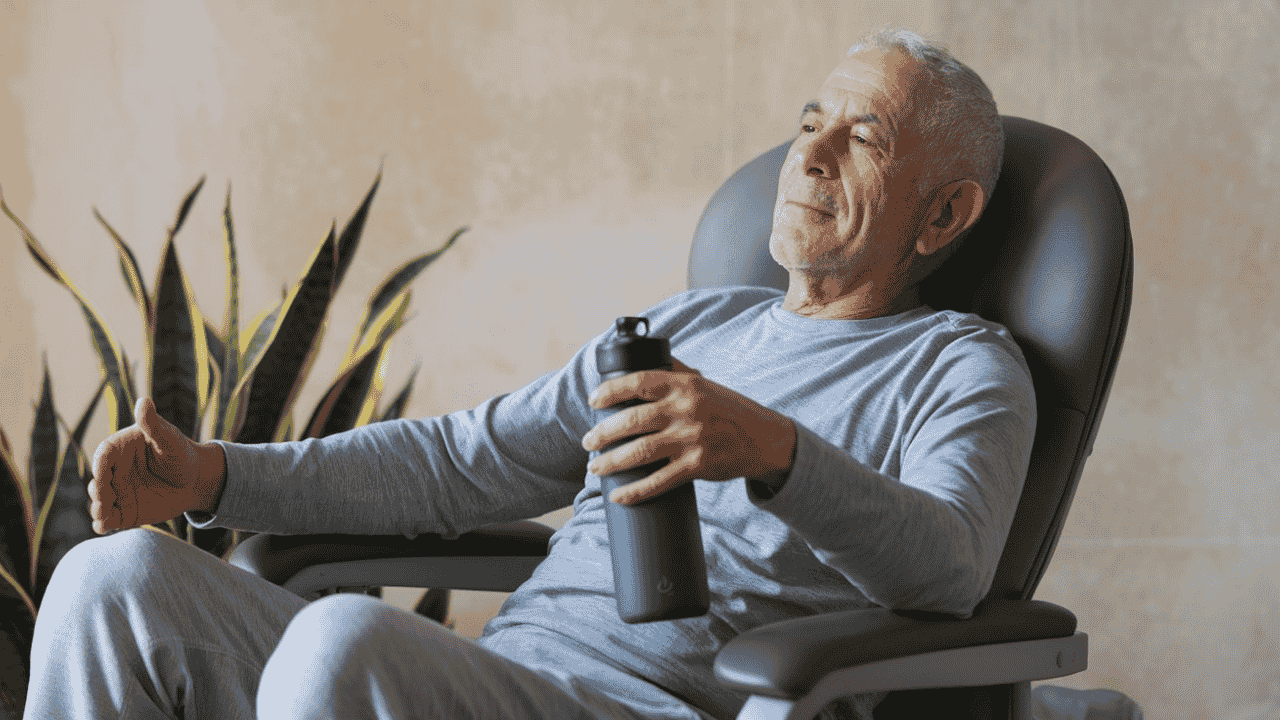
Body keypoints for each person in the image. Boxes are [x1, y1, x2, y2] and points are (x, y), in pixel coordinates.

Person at [24, 28, 1033, 720]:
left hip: (652, 705)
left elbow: (948, 567)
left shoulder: (957, 367)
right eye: (812, 116)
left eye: (863, 137)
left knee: (342, 643)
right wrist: (218, 477)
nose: (808, 150)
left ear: (941, 216)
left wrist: (771, 452)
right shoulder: (690, 325)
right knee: (113, 579)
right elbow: (457, 463)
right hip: (500, 683)